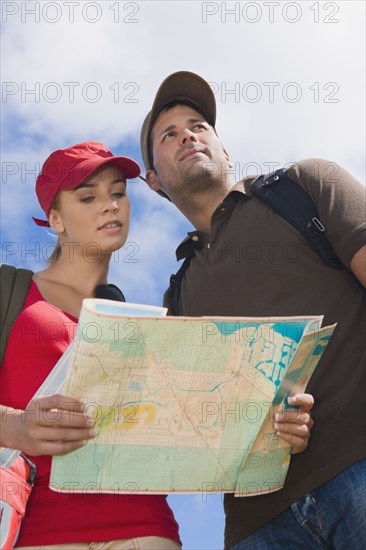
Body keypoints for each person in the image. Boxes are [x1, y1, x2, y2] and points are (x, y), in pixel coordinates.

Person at [139, 71, 366, 549]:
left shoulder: (305, 186)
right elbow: (201, 428)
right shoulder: (176, 301)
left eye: (199, 125)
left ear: (225, 151)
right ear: (153, 180)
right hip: (257, 525)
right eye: (169, 133)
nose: (188, 135)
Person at [0, 142, 182, 550]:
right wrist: (11, 426)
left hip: (145, 526)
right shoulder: (8, 292)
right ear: (55, 219)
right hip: (37, 529)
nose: (110, 205)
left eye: (118, 192)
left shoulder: (136, 324)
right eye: (88, 196)